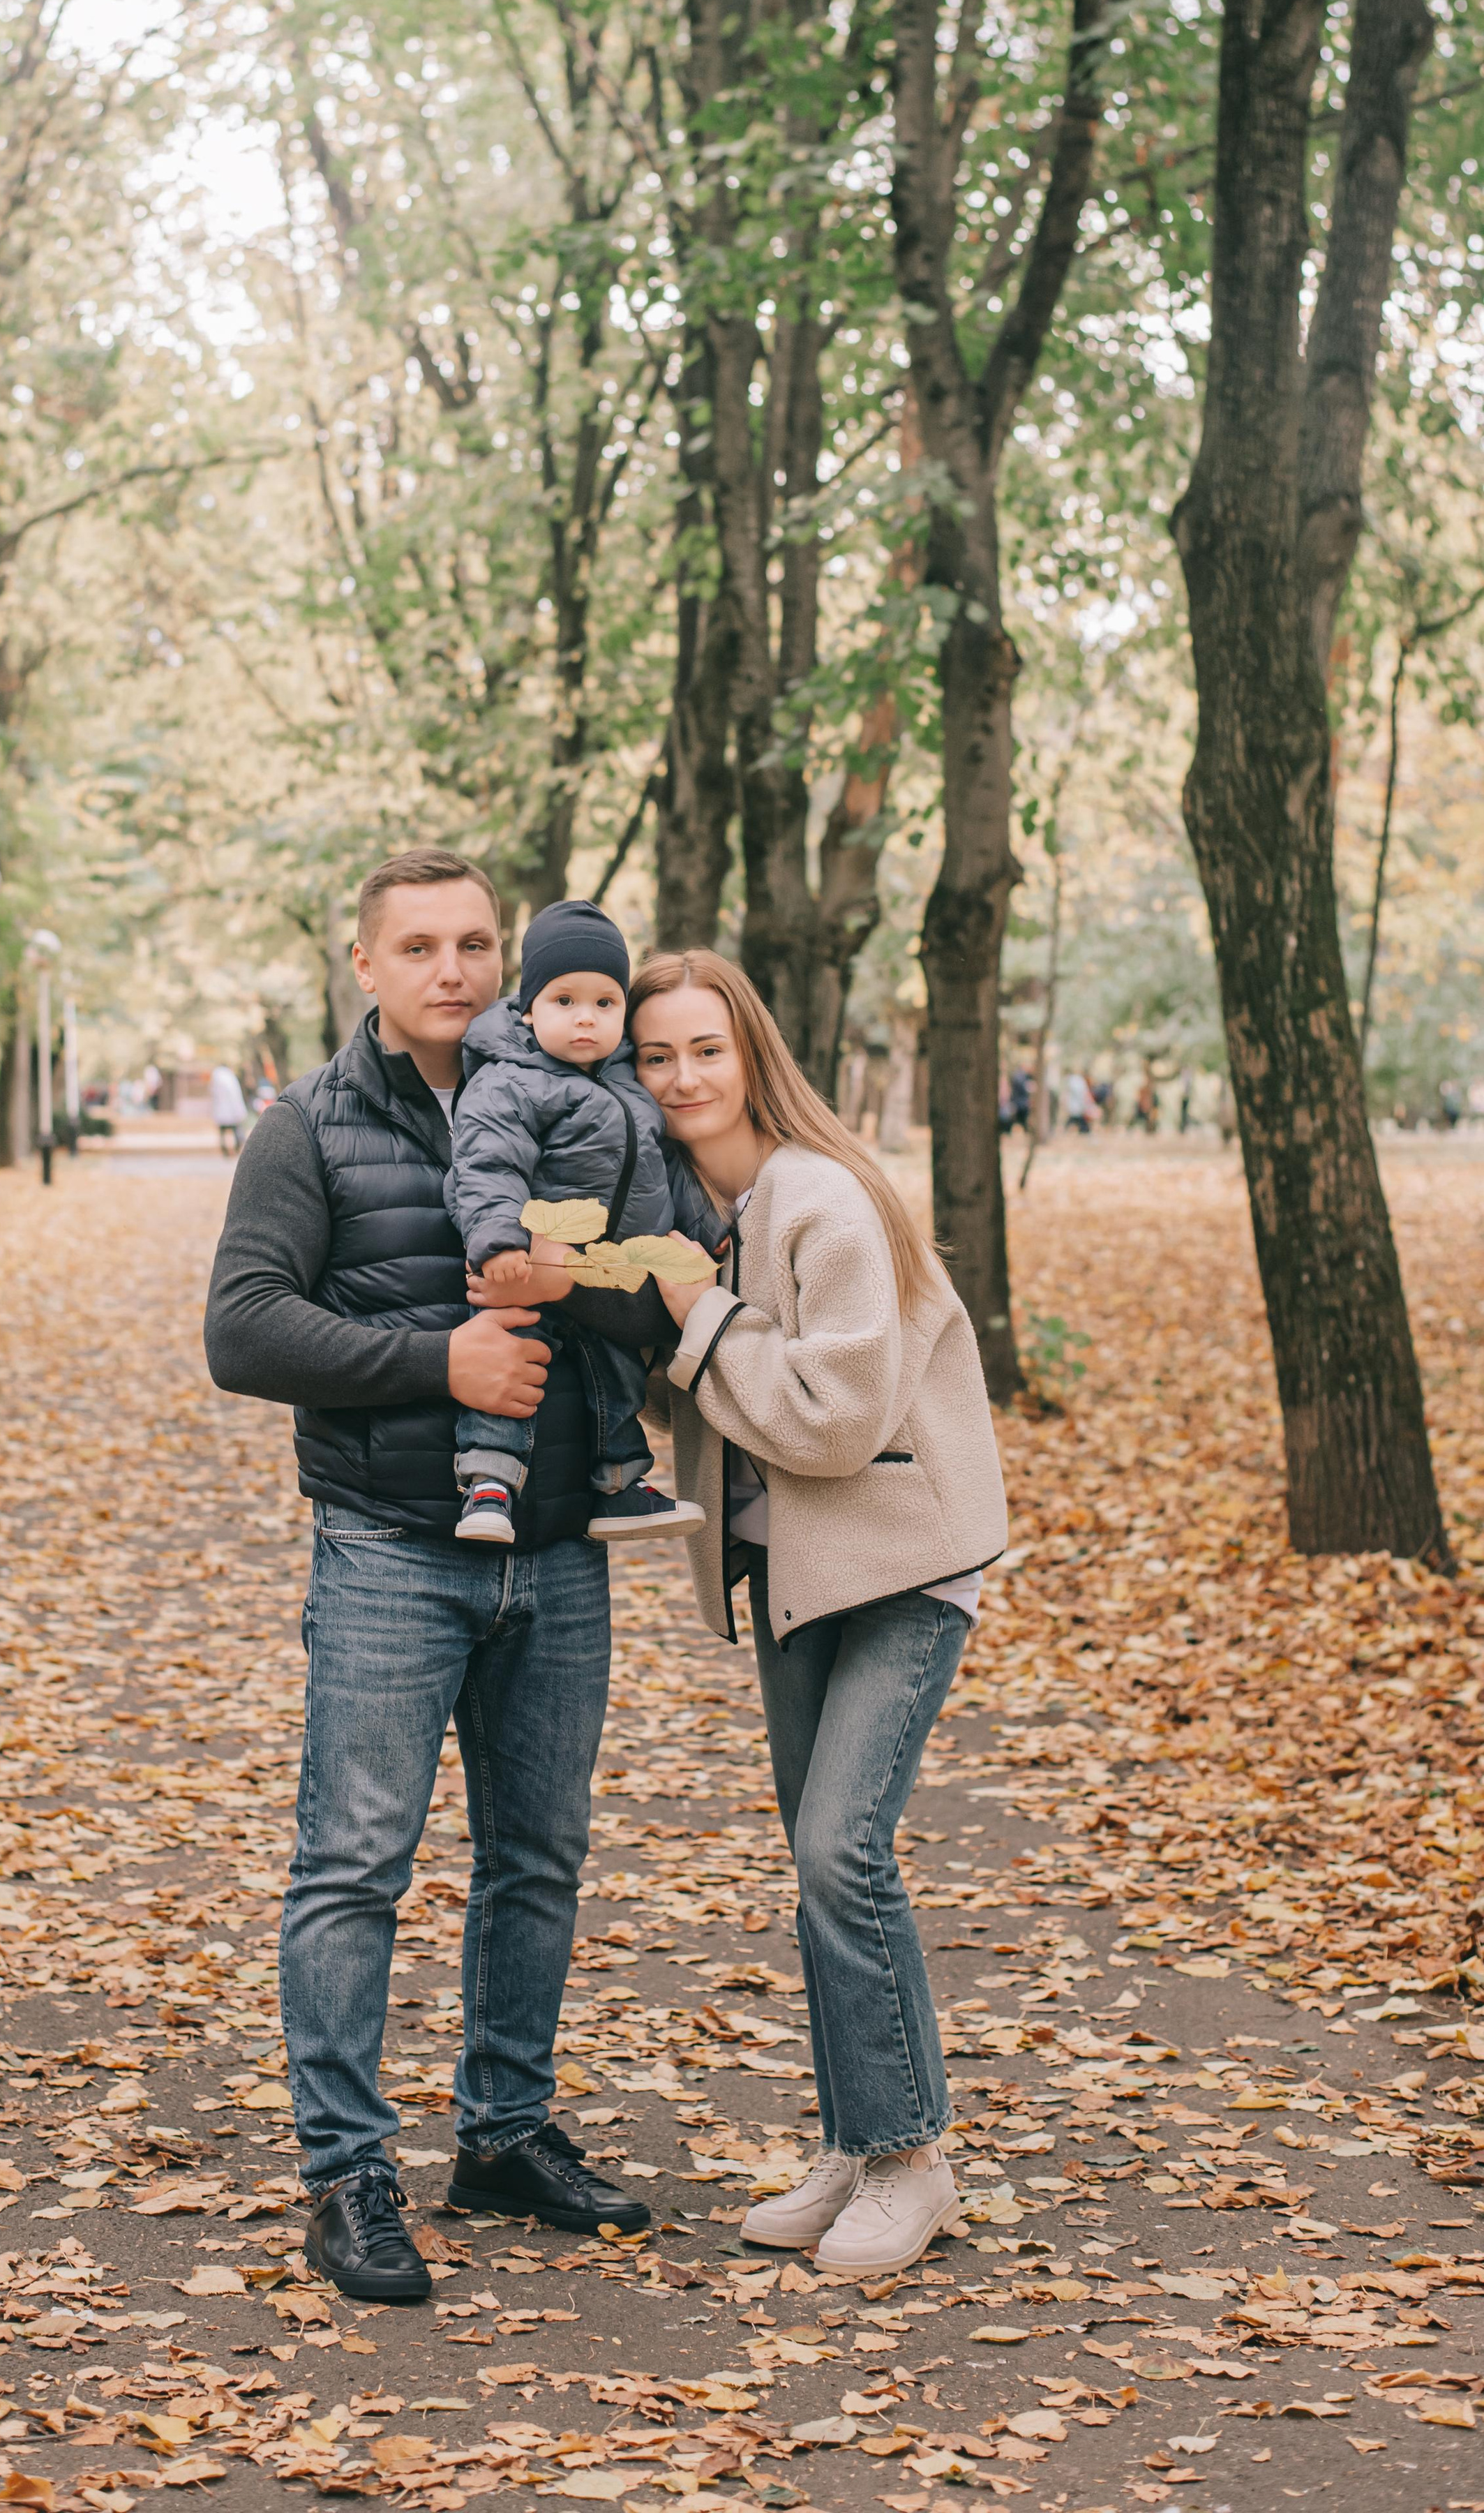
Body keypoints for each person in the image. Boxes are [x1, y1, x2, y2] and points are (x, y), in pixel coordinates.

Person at [203, 851, 656, 2307]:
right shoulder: (311, 1126)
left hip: (560, 1554)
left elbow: (646, 1284)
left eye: (475, 942)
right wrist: (434, 1362)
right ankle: (346, 2172)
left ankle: (504, 2136)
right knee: (353, 1866)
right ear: (368, 967)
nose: (452, 969)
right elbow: (245, 1332)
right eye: (420, 947)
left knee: (536, 1861)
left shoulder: (589, 1103)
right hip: (391, 1549)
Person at [627, 949, 1007, 2276]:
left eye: (703, 1050)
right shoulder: (694, 1205)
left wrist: (696, 1315)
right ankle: (857, 2136)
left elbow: (838, 1419)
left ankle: (912, 2157)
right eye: (653, 1055)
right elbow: (706, 1394)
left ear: (752, 1057)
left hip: (900, 1559)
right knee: (815, 1859)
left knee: (845, 1849)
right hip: (795, 1570)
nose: (680, 1076)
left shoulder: (815, 1196)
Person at [444, 896, 719, 1545]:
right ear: (529, 1006)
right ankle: (488, 1483)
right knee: (515, 1362)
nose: (586, 1020)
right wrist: (499, 1238)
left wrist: (705, 1229)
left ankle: (619, 1487)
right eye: (564, 1001)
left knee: (619, 1375)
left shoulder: (628, 1083)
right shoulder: (511, 1081)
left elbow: (668, 1167)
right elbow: (486, 1164)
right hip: (540, 1258)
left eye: (604, 1003)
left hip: (613, 1269)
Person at [209, 1061, 248, 1154]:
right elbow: (235, 1094)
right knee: (235, 1129)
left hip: (221, 1110)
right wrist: (239, 1110)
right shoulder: (229, 1077)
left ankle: (225, 1150)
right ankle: (236, 1148)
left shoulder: (215, 1077)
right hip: (231, 1110)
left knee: (223, 1131)